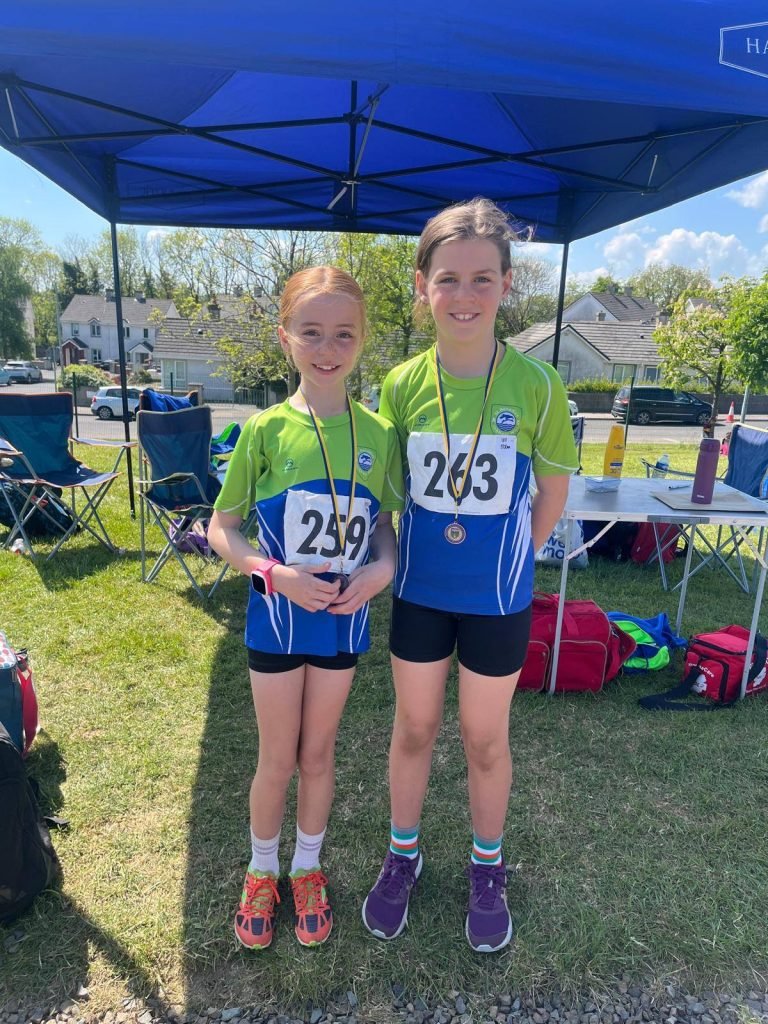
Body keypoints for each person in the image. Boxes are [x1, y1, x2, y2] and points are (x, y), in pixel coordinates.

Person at [361, 198, 579, 953]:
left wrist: (515, 557)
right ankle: (404, 855)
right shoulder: (399, 386)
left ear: (507, 285)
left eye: (482, 278)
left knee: (485, 739)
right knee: (415, 728)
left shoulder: (539, 384)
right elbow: (388, 500)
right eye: (448, 278)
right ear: (422, 285)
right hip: (421, 594)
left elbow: (553, 489)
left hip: (496, 600)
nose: (464, 295)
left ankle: (488, 867)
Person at [207, 266, 403, 951]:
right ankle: (262, 870)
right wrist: (273, 573)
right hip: (276, 621)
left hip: (342, 622)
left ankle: (307, 867)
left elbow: (384, 527)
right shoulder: (263, 430)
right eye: (312, 332)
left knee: (318, 755)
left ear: (363, 339)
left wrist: (383, 568)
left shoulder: (380, 433)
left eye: (344, 334)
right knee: (277, 758)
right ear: (284, 336)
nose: (328, 348)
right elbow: (221, 528)